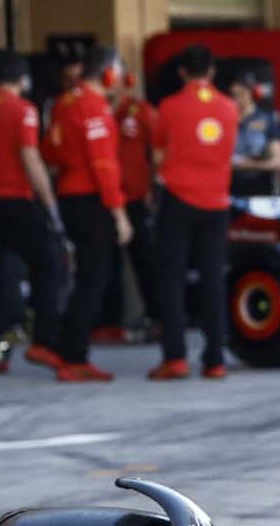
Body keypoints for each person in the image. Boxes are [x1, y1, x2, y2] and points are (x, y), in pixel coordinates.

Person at [0, 52, 65, 369]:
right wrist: (49, 204)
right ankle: (44, 340)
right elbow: (30, 158)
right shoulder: (24, 111)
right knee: (47, 266)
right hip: (18, 201)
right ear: (23, 80)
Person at [150, 44, 239, 380]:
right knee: (213, 279)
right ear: (212, 72)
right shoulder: (230, 108)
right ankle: (215, 358)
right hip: (216, 202)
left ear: (182, 72)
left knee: (172, 279)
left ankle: (175, 357)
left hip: (178, 198)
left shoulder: (169, 107)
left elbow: (158, 155)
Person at [46, 45, 132, 382]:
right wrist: (119, 212)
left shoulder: (63, 103)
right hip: (89, 199)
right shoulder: (93, 107)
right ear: (109, 74)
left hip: (68, 194)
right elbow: (103, 165)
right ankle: (74, 355)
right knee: (93, 279)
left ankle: (64, 343)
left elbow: (49, 150)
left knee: (85, 276)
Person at [105, 70, 161, 338]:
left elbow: (158, 152)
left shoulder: (141, 111)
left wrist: (153, 188)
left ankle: (157, 317)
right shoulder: (95, 110)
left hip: (137, 199)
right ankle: (110, 322)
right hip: (104, 198)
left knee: (146, 261)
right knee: (106, 264)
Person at [230, 73, 280, 197]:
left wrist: (245, 164)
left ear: (250, 93)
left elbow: (278, 161)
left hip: (257, 187)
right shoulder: (224, 120)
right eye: (233, 95)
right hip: (227, 188)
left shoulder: (268, 119)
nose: (237, 100)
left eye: (241, 94)